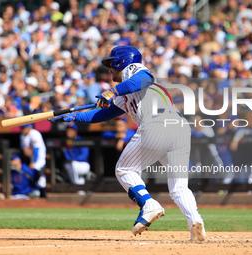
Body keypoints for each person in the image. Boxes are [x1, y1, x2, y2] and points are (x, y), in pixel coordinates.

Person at [51, 46, 206, 241]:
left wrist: (112, 91)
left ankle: (149, 204)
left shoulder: (132, 71)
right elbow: (103, 114)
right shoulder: (127, 92)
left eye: (111, 65)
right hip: (180, 129)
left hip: (156, 125)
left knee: (124, 170)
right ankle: (195, 223)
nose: (110, 70)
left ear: (121, 62)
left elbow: (145, 77)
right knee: (179, 188)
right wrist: (74, 116)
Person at [20, 124, 47, 197]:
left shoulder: (35, 134)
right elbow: (23, 147)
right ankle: (35, 192)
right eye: (22, 128)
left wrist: (34, 162)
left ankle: (43, 195)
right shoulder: (22, 136)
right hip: (32, 159)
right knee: (33, 175)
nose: (23, 130)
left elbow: (37, 150)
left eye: (24, 128)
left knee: (40, 177)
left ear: (29, 128)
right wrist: (24, 150)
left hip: (40, 159)